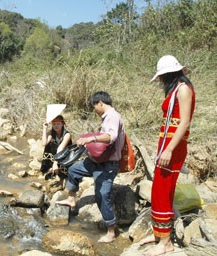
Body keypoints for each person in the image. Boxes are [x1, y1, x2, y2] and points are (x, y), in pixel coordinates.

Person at [139, 55, 195, 256]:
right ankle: (158, 234)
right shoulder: (176, 89)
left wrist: (169, 149)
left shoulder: (183, 89)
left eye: (162, 77)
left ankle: (165, 243)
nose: (160, 81)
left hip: (174, 147)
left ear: (169, 74)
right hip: (168, 145)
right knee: (160, 190)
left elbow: (184, 122)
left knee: (163, 190)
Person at [56, 91, 125, 243]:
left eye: (95, 106)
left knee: (102, 195)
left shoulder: (113, 116)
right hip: (97, 161)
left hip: (108, 165)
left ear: (100, 102)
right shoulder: (106, 117)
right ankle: (72, 199)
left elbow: (110, 137)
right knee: (74, 170)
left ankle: (111, 231)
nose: (95, 110)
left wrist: (91, 139)